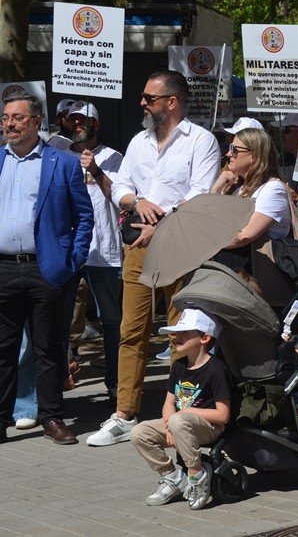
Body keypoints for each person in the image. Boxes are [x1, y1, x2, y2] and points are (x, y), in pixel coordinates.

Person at [88, 70, 220, 447]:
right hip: (138, 248)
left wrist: (158, 224)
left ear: (172, 102)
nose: (142, 103)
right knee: (131, 331)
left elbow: (199, 196)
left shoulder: (201, 141)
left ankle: (181, 415)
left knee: (182, 333)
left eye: (149, 98)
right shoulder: (138, 142)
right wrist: (138, 201)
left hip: (179, 247)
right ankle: (124, 414)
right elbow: (121, 186)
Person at [0, 93, 93, 445]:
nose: (9, 124)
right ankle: (1, 419)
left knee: (48, 348)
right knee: (4, 350)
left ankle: (52, 416)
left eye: (17, 118)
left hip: (47, 269)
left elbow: (84, 216)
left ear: (37, 122)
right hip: (4, 268)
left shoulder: (63, 163)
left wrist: (72, 260)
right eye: (5, 118)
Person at [129, 308, 231, 510]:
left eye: (185, 333)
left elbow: (223, 415)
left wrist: (183, 415)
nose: (177, 336)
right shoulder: (179, 366)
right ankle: (172, 477)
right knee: (139, 432)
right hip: (179, 425)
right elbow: (169, 403)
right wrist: (169, 427)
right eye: (176, 332)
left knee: (178, 419)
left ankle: (196, 475)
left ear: (205, 338)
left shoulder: (217, 369)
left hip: (209, 427)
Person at [68, 102, 124, 405]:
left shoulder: (113, 157)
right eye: (74, 120)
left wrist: (94, 169)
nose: (78, 124)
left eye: (84, 120)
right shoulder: (60, 155)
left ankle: (115, 382)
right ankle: (63, 374)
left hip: (103, 251)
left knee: (110, 320)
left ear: (96, 124)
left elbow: (119, 196)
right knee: (61, 318)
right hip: (69, 250)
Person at [210, 126, 298, 308]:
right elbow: (210, 220)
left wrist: (211, 241)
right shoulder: (237, 188)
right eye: (229, 148)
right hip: (232, 274)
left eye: (235, 150)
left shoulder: (272, 189)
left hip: (255, 279)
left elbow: (245, 235)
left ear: (254, 155)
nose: (228, 154)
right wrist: (216, 189)